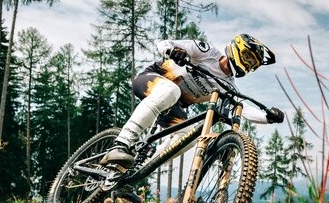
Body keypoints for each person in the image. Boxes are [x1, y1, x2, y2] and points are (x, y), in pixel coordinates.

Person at [100, 33, 284, 169]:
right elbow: (164, 43)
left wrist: (268, 117)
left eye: (253, 64)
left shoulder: (228, 85)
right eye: (248, 57)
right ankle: (121, 143)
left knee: (188, 137)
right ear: (237, 48)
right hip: (152, 78)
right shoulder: (207, 51)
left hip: (173, 105)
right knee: (170, 90)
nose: (248, 64)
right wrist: (173, 51)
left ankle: (137, 171)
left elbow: (242, 109)